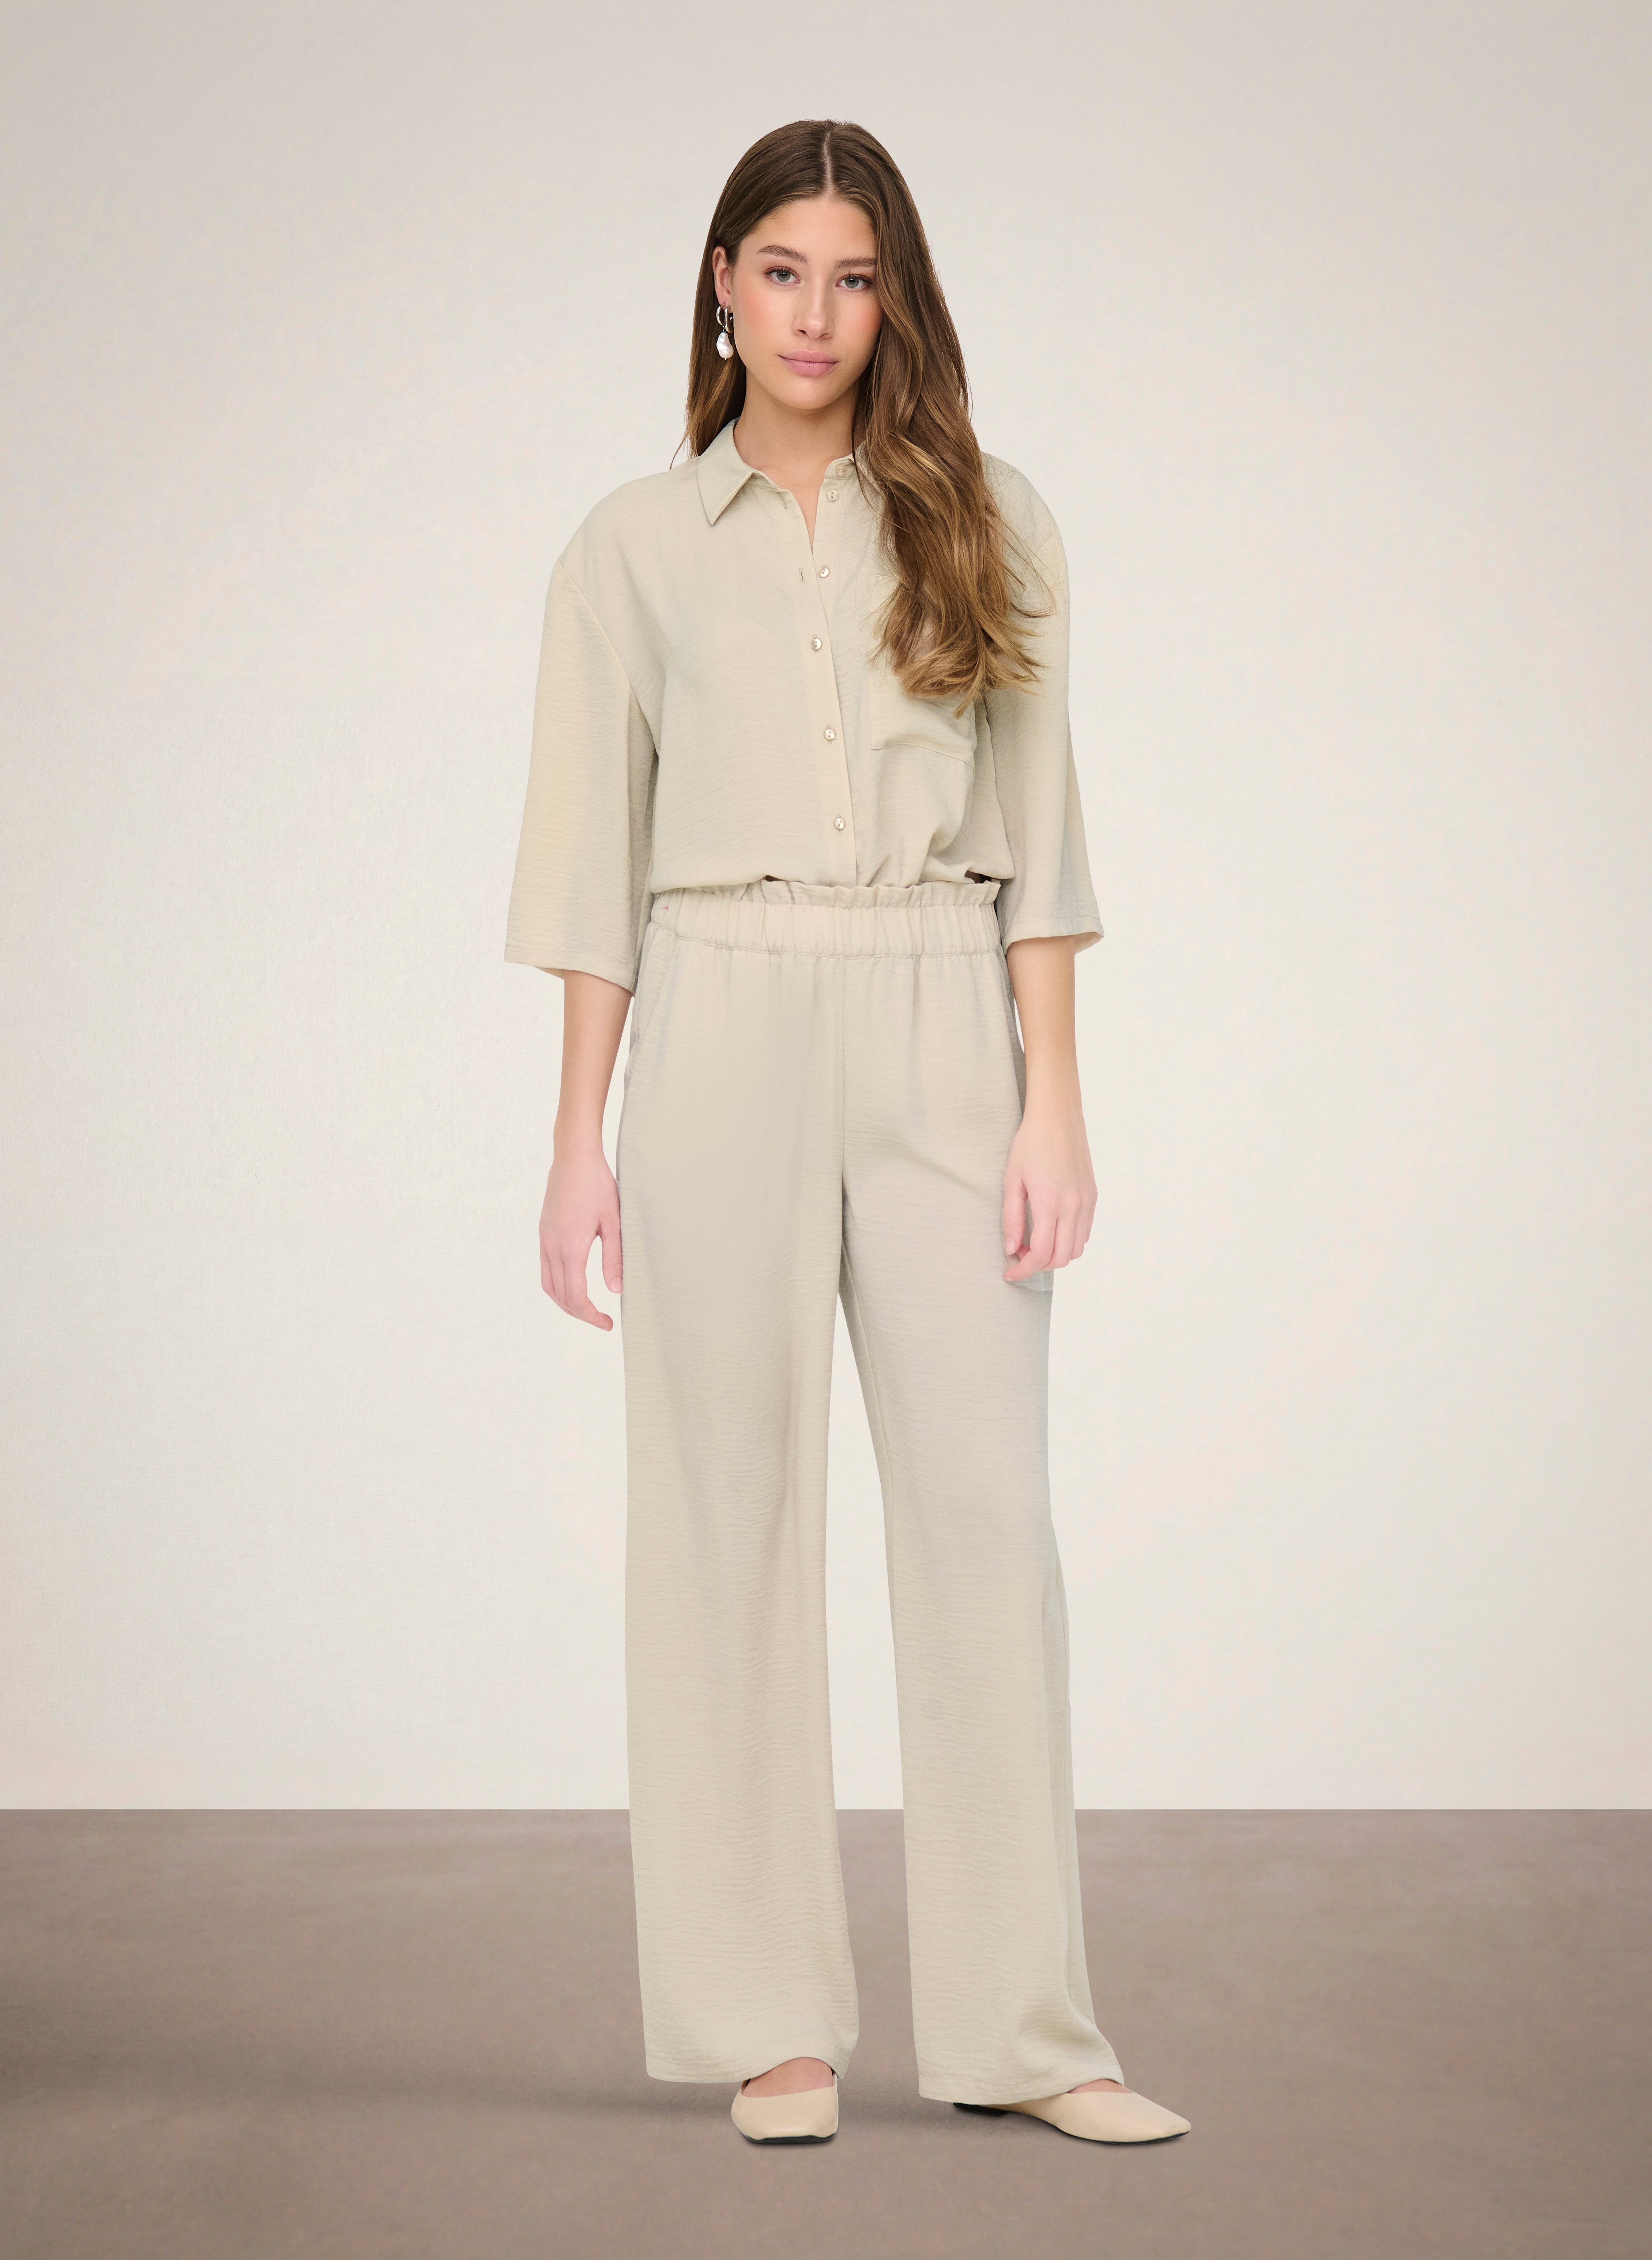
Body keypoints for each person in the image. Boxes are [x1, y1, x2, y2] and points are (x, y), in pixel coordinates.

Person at [504, 118, 1190, 2150]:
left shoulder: (987, 514)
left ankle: (1026, 2035)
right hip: (715, 1005)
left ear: (897, 299)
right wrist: (576, 1138)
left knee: (985, 1522)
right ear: (722, 285)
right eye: (783, 269)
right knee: (722, 1519)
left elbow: (1041, 834)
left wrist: (1054, 1100)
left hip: (938, 1002)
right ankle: (766, 2024)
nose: (817, 314)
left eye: (857, 276)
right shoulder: (630, 546)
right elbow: (588, 865)